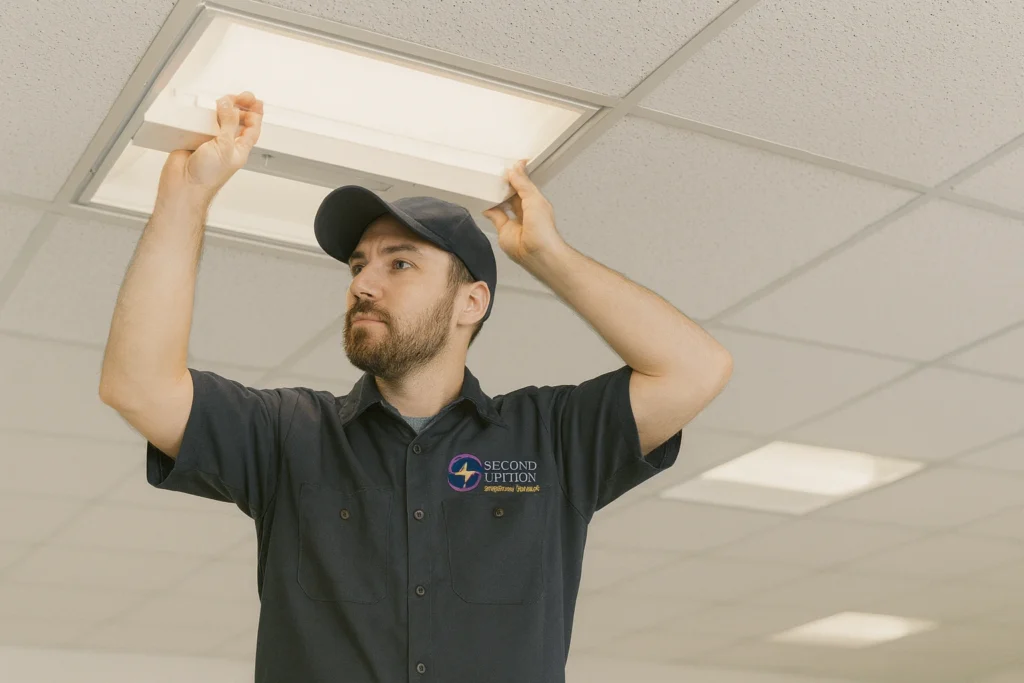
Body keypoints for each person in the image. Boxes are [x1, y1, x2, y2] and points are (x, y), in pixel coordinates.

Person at [99, 91, 733, 683]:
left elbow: (694, 369)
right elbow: (138, 386)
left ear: (471, 302)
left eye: (398, 263)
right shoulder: (288, 437)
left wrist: (547, 255)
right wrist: (185, 197)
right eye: (357, 266)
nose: (363, 285)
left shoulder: (553, 440)